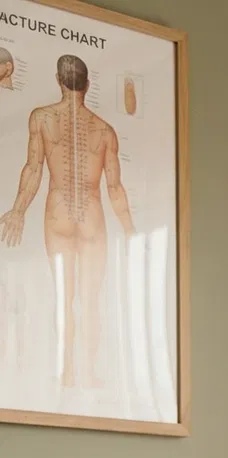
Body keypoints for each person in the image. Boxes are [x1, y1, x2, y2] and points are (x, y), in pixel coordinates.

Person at [0, 55, 133, 389]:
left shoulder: (42, 118)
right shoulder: (105, 130)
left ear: (59, 80)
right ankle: (85, 373)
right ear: (87, 85)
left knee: (65, 299)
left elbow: (33, 169)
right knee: (89, 301)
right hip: (91, 217)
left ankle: (69, 374)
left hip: (57, 213)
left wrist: (18, 209)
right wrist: (130, 231)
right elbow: (114, 187)